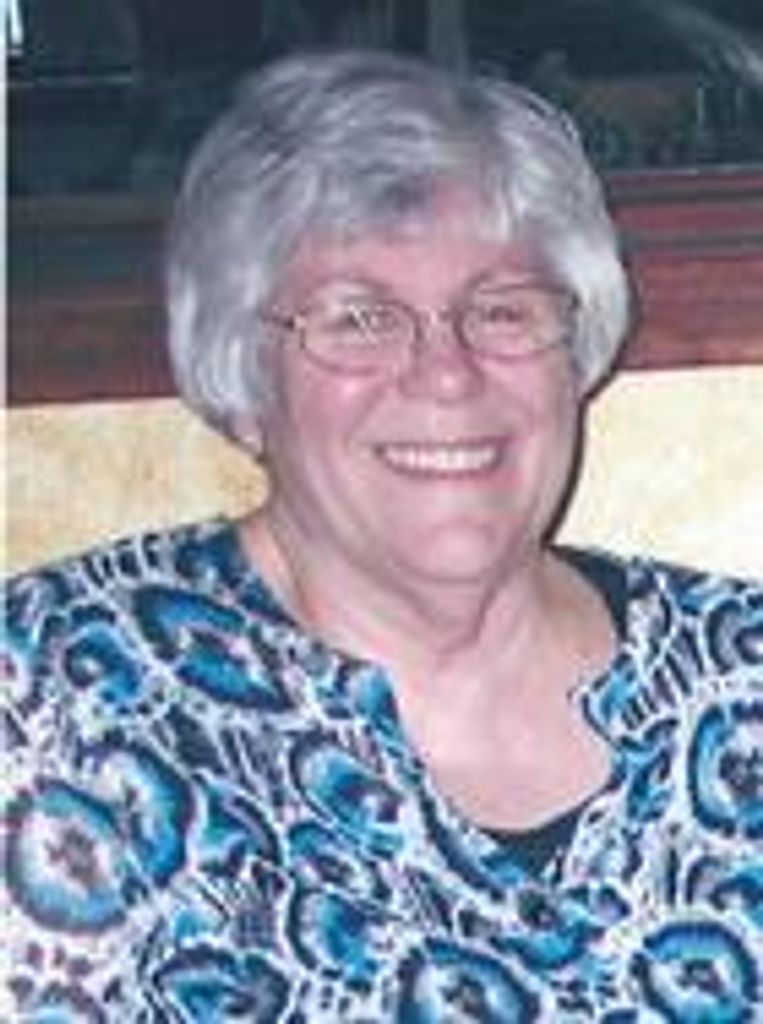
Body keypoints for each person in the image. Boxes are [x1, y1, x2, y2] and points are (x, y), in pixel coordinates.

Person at [3, 49, 761, 1022]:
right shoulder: (53, 697)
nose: (445, 374)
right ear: (245, 380)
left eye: (502, 310)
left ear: (576, 354)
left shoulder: (738, 674)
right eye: (358, 319)